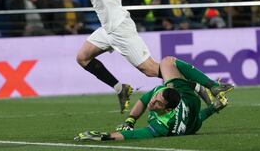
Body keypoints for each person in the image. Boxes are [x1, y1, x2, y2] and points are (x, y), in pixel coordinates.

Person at [22, 0, 162, 113]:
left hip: (119, 26)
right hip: (108, 27)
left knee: (151, 70)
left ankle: (198, 85)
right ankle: (121, 89)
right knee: (83, 57)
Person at [74, 56, 234, 141]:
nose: (153, 101)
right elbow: (145, 100)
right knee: (169, 64)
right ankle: (211, 86)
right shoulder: (162, 92)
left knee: (166, 64)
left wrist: (104, 136)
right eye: (156, 97)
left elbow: (134, 135)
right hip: (189, 99)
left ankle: (207, 87)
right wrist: (212, 108)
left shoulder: (162, 127)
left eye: (157, 103)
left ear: (168, 109)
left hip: (189, 102)